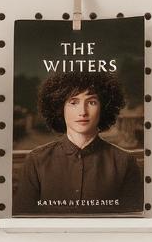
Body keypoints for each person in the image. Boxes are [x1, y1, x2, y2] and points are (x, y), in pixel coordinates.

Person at [14, 71, 143, 214]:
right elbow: (24, 220)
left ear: (104, 108)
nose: (83, 111)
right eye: (73, 102)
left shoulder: (125, 162)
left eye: (92, 102)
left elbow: (132, 224)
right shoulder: (36, 160)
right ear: (59, 108)